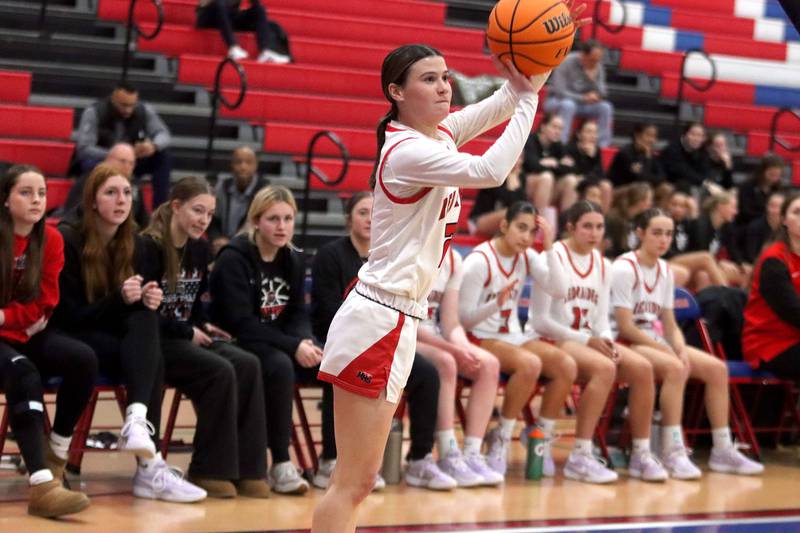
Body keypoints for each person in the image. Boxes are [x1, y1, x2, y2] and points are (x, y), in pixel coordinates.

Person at [309, 32, 566, 531]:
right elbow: (492, 169)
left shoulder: (437, 135)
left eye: (446, 76)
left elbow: (501, 102)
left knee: (358, 482)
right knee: (353, 482)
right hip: (377, 318)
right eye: (429, 79)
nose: (445, 86)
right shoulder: (406, 152)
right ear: (396, 93)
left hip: (399, 317)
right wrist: (530, 98)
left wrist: (540, 62)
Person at [52, 163, 207, 503]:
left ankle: (137, 423)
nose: (121, 200)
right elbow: (69, 316)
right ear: (92, 201)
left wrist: (147, 300)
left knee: (147, 324)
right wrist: (121, 300)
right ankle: (149, 466)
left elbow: (127, 310)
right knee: (148, 355)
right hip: (69, 336)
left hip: (110, 335)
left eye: (126, 193)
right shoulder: (67, 239)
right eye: (111, 193)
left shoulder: (135, 244)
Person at [138, 176, 271, 498]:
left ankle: (249, 469)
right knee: (220, 370)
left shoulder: (199, 248)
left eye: (210, 214)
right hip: (154, 343)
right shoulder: (148, 246)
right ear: (176, 207)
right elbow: (144, 315)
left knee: (247, 363)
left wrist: (205, 325)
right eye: (198, 211)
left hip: (185, 336)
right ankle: (209, 469)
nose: (204, 220)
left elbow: (192, 305)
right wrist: (187, 330)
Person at [310, 192, 450, 491]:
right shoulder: (331, 256)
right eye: (363, 212)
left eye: (376, 211)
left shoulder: (391, 256)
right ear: (349, 218)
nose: (371, 218)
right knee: (341, 375)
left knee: (427, 372)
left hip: (385, 339)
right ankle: (331, 459)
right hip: (340, 341)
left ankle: (420, 458)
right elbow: (324, 314)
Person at [611, 208, 763, 477]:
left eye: (668, 234)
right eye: (657, 233)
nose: (663, 239)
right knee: (675, 367)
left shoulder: (665, 271)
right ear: (640, 233)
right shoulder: (624, 267)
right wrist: (668, 351)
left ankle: (723, 449)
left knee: (717, 369)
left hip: (653, 339)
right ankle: (671, 451)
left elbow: (669, 323)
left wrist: (678, 346)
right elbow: (625, 326)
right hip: (623, 340)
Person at [530, 201, 668, 483]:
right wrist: (588, 340)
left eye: (599, 227)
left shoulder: (604, 264)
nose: (594, 233)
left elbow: (602, 319)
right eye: (587, 226)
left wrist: (605, 340)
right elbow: (541, 320)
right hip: (553, 338)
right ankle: (581, 454)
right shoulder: (552, 256)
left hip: (587, 341)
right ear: (570, 227)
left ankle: (641, 453)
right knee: (605, 368)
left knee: (642, 368)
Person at [0, 165, 93, 517]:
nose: (36, 200)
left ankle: (57, 452)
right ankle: (41, 486)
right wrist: (20, 323)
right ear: (6, 200)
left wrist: (6, 318)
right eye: (25, 192)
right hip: (16, 339)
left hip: (22, 333)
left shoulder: (51, 239)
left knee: (83, 358)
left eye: (41, 192)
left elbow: (45, 305)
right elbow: (32, 315)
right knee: (23, 372)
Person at [210, 185, 314, 495]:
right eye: (273, 219)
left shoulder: (293, 258)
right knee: (280, 365)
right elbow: (242, 323)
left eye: (288, 219)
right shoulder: (234, 258)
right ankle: (281, 462)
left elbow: (297, 312)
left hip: (277, 339)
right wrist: (292, 346)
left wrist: (306, 341)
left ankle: (332, 460)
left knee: (331, 363)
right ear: (256, 221)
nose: (282, 227)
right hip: (236, 339)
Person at [460, 202, 574, 478]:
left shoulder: (527, 257)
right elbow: (463, 321)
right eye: (521, 228)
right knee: (530, 364)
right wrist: (495, 304)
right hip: (478, 337)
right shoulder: (479, 260)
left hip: (512, 336)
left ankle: (538, 437)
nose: (526, 237)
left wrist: (548, 247)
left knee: (566, 365)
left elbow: (560, 290)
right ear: (504, 226)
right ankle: (502, 435)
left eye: (532, 231)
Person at [416, 244, 503, 487]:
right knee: (446, 362)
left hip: (434, 336)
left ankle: (472, 453)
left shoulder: (453, 259)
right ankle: (447, 452)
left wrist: (463, 347)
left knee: (488, 364)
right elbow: (407, 322)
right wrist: (453, 350)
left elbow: (451, 323)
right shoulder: (411, 251)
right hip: (404, 335)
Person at [75, 83, 173, 207]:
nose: (128, 110)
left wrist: (153, 146)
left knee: (163, 156)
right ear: (114, 98)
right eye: (124, 105)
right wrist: (116, 155)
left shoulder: (144, 110)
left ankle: (160, 209)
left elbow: (163, 134)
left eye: (132, 105)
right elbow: (84, 148)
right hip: (102, 161)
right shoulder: (94, 112)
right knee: (90, 164)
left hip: (131, 161)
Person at [743, 191, 800, 381]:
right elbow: (792, 311)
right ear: (784, 220)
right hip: (770, 344)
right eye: (797, 212)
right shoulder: (774, 260)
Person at [543, 40, 613, 147]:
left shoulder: (597, 66)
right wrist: (583, 98)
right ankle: (561, 144)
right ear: (583, 55)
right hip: (556, 101)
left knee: (605, 107)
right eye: (592, 59)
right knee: (568, 105)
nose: (595, 63)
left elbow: (603, 93)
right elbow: (559, 91)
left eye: (598, 60)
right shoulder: (566, 62)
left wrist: (593, 80)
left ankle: (601, 146)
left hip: (584, 105)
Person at [63, 143, 148, 226]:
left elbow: (144, 220)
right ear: (108, 159)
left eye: (131, 163)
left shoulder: (134, 186)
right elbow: (73, 213)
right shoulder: (90, 181)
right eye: (123, 161)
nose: (127, 167)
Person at [208, 146, 269, 253]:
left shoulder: (264, 190)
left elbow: (257, 226)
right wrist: (217, 238)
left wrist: (232, 244)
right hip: (221, 246)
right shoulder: (222, 187)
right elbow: (212, 218)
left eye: (248, 162)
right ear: (231, 164)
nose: (243, 166)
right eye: (238, 162)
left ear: (256, 165)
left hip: (252, 248)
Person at [196, 0, 291, 64]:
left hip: (229, 15)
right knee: (220, 4)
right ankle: (233, 48)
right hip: (208, 15)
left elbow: (254, 2)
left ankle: (265, 51)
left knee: (259, 9)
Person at [690, 192, 750, 287]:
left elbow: (732, 249)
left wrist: (741, 264)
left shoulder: (726, 226)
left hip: (711, 263)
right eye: (733, 207)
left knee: (747, 273)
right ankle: (723, 296)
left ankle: (741, 300)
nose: (736, 212)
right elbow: (701, 252)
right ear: (720, 206)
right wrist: (719, 263)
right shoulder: (701, 224)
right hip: (694, 262)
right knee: (705, 275)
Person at [522, 113, 578, 212]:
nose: (558, 132)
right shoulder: (531, 139)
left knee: (571, 180)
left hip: (547, 187)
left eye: (560, 129)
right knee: (547, 177)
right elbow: (532, 166)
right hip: (525, 185)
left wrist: (553, 163)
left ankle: (567, 223)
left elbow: (571, 168)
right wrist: (557, 164)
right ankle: (539, 222)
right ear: (543, 127)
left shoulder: (558, 144)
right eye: (554, 127)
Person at [468, 155, 526, 236]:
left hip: (502, 223)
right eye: (516, 157)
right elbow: (506, 202)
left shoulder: (520, 176)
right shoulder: (494, 174)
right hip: (478, 221)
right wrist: (511, 186)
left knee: (521, 213)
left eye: (521, 158)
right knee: (510, 213)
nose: (520, 161)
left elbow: (522, 204)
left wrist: (515, 185)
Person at [607, 122, 663, 188]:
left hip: (641, 188)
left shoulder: (651, 154)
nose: (652, 140)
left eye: (654, 136)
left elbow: (661, 177)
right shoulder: (625, 153)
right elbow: (638, 179)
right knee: (643, 187)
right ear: (637, 135)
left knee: (665, 188)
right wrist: (647, 158)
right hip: (621, 189)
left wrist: (648, 156)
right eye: (648, 135)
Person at [736, 155, 785, 230]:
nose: (774, 178)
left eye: (777, 175)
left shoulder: (778, 188)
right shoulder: (747, 186)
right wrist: (767, 216)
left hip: (770, 225)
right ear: (762, 171)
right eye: (771, 174)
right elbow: (745, 211)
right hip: (747, 225)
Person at [604, 182, 653, 257]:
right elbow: (610, 249)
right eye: (649, 200)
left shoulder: (639, 219)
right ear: (640, 201)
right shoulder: (614, 218)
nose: (651, 203)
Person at [659, 122, 708, 194]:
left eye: (700, 136)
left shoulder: (702, 150)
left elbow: (705, 171)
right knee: (684, 184)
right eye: (693, 134)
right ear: (684, 134)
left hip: (691, 184)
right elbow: (683, 171)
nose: (696, 138)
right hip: (670, 183)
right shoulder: (672, 149)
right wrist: (704, 182)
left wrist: (707, 182)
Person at [744, 189, 785, 263]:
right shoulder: (755, 227)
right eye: (772, 206)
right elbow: (751, 256)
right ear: (766, 207)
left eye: (779, 207)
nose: (776, 210)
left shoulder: (789, 227)